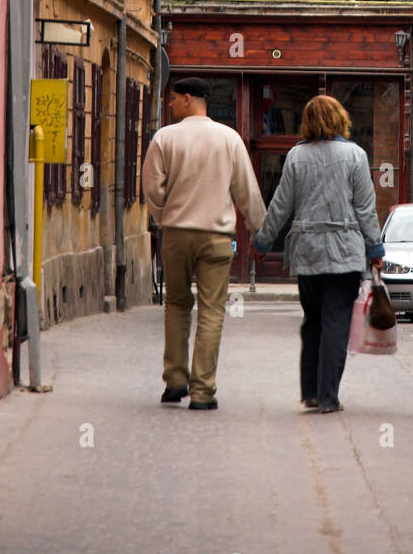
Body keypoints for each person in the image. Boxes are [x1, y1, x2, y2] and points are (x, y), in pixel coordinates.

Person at [251, 95, 384, 414]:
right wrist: (375, 249)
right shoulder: (356, 155)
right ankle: (328, 397)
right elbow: (365, 209)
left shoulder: (296, 156)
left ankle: (310, 392)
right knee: (336, 322)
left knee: (312, 321)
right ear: (340, 119)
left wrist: (263, 242)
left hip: (307, 253)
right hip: (345, 253)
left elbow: (280, 205)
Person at [142, 76, 265, 411]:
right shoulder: (229, 138)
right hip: (216, 236)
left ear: (187, 98)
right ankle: (202, 391)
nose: (169, 104)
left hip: (176, 234)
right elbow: (246, 190)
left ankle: (174, 381)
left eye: (173, 98)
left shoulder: (165, 138)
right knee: (212, 311)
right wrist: (260, 231)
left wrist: (165, 215)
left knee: (176, 304)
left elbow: (151, 189)